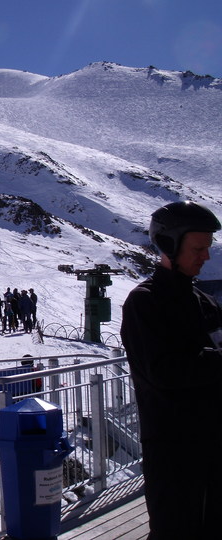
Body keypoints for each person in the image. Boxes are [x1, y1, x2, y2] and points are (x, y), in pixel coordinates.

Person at [121, 201, 222, 539]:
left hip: (212, 442)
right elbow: (164, 372)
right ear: (169, 245)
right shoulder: (145, 303)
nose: (205, 257)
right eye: (198, 249)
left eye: (207, 248)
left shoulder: (203, 302)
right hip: (173, 450)